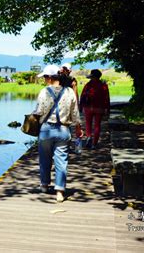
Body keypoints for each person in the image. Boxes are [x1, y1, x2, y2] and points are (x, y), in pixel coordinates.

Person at [33, 65, 83, 202]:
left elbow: (38, 111)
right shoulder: (69, 92)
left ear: (49, 78)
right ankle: (60, 191)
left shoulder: (44, 92)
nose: (44, 79)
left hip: (46, 130)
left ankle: (44, 185)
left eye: (44, 77)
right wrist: (78, 128)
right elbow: (75, 113)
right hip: (63, 130)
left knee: (44, 159)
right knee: (61, 161)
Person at [79, 69, 110, 150]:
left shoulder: (88, 85)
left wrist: (80, 106)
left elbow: (82, 96)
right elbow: (107, 98)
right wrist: (107, 109)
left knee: (88, 124)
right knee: (97, 126)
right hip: (99, 108)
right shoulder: (104, 85)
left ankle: (89, 137)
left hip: (88, 107)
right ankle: (94, 143)